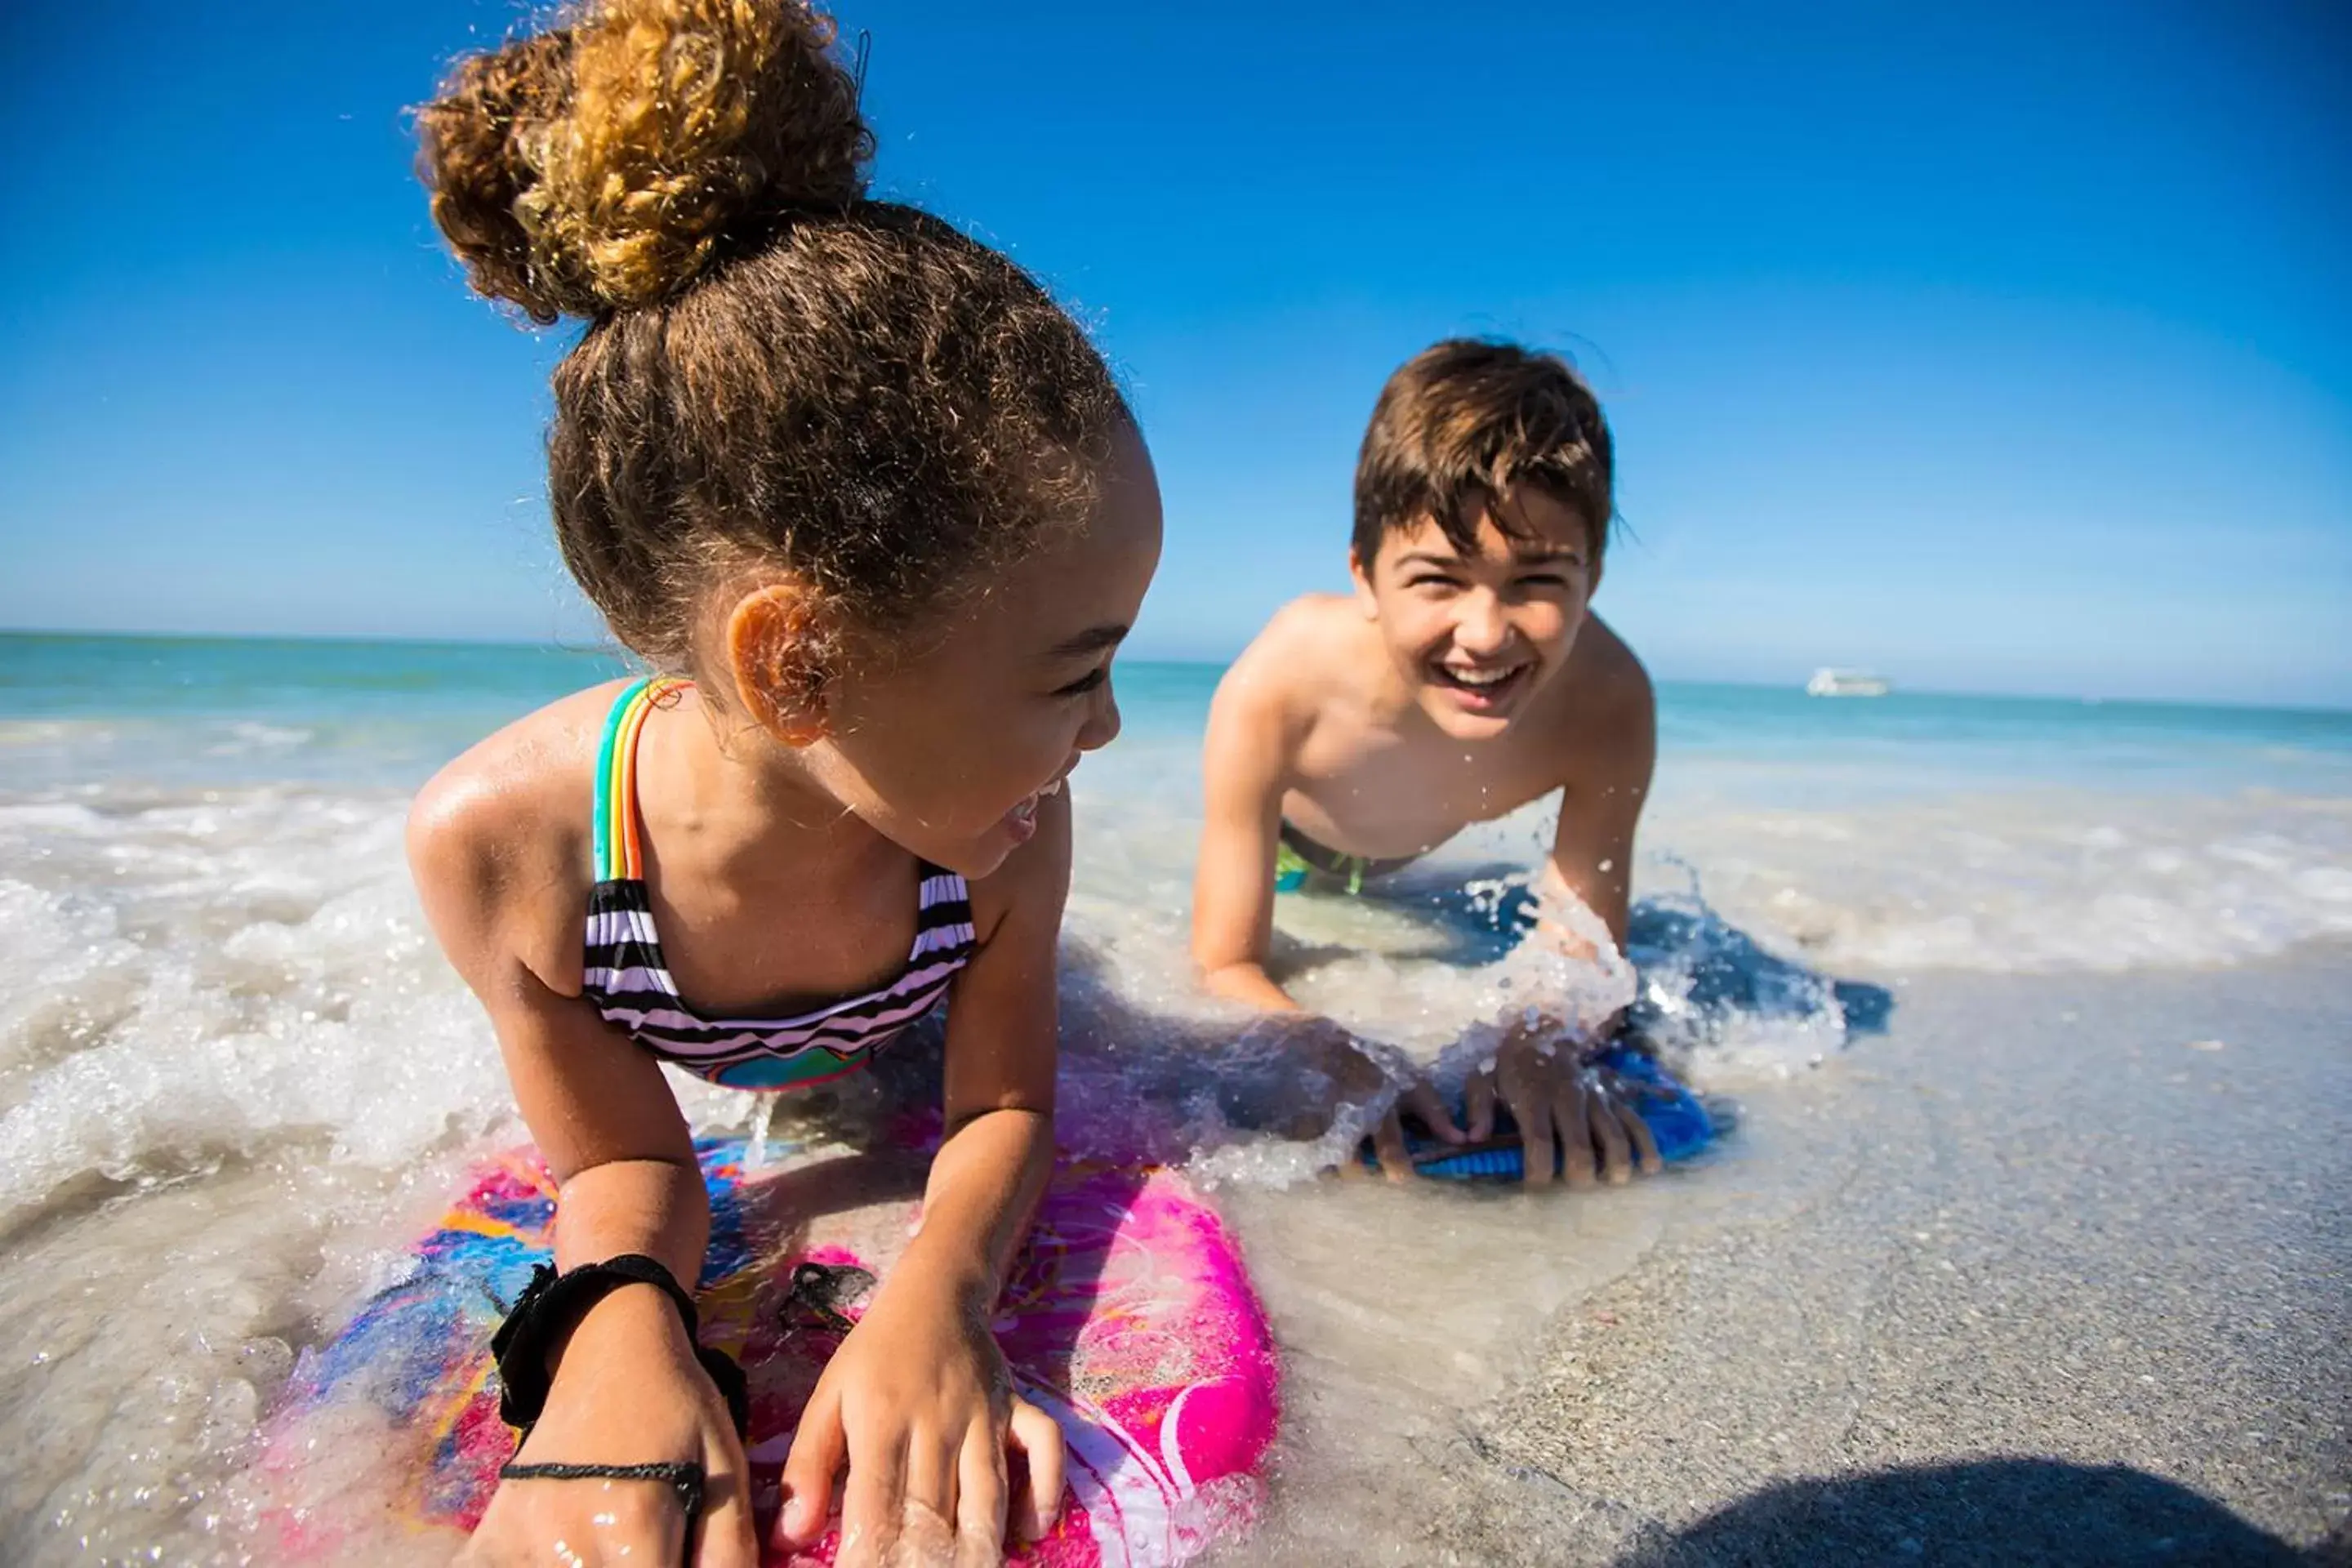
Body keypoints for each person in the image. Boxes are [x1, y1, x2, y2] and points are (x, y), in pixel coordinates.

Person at [403, 4, 1160, 1563]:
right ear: (797, 670)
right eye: (1074, 671)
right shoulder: (518, 854)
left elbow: (1004, 1093)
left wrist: (939, 1299)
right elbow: (621, 1158)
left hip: (902, 1047)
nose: (1107, 732)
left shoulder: (999, 832)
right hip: (694, 1056)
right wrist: (613, 1337)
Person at [1191, 338, 1665, 1187]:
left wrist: (1544, 1040)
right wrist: (1319, 1050)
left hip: (1412, 849)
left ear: (1592, 578)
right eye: (1438, 580)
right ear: (1364, 577)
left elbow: (1586, 947)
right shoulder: (1282, 683)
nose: (1485, 634)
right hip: (1305, 855)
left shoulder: (1610, 698)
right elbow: (1224, 960)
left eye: (1538, 581)